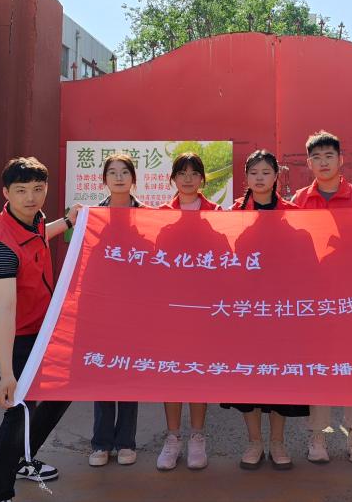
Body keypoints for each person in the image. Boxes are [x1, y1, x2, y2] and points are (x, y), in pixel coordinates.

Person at [0, 157, 81, 502]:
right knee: (18, 408)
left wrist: (68, 221)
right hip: (11, 333)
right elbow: (4, 310)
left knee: (62, 390)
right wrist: (6, 374)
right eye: (21, 191)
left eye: (38, 189)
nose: (31, 197)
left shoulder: (32, 219)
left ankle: (22, 458)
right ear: (6, 193)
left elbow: (37, 237)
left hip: (38, 324)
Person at [220, 150, 309, 470]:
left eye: (266, 172)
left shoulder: (294, 214)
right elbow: (220, 260)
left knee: (280, 377)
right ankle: (255, 442)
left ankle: (278, 442)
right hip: (244, 311)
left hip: (282, 311)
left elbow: (306, 261)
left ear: (276, 177)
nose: (259, 178)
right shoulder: (232, 214)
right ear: (246, 177)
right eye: (254, 172)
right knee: (248, 378)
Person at [290, 130, 352, 464]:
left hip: (351, 298)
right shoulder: (298, 200)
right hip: (313, 300)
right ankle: (317, 436)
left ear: (341, 160)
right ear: (308, 163)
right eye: (316, 158)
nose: (323, 163)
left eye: (329, 156)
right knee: (318, 367)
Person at [156, 151, 218, 471]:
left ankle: (197, 436)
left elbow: (226, 258)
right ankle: (172, 438)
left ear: (203, 179)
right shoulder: (160, 215)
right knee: (171, 372)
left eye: (194, 173)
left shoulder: (217, 213)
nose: (189, 178)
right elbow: (154, 261)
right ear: (173, 179)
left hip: (204, 309)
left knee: (197, 371)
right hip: (171, 309)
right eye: (182, 173)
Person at [89, 153, 144, 468]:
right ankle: (100, 443)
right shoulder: (94, 216)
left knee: (128, 375)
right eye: (113, 172)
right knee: (103, 373)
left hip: (134, 309)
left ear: (133, 179)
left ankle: (125, 442)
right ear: (104, 179)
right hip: (102, 308)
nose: (119, 177)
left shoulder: (146, 216)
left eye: (125, 172)